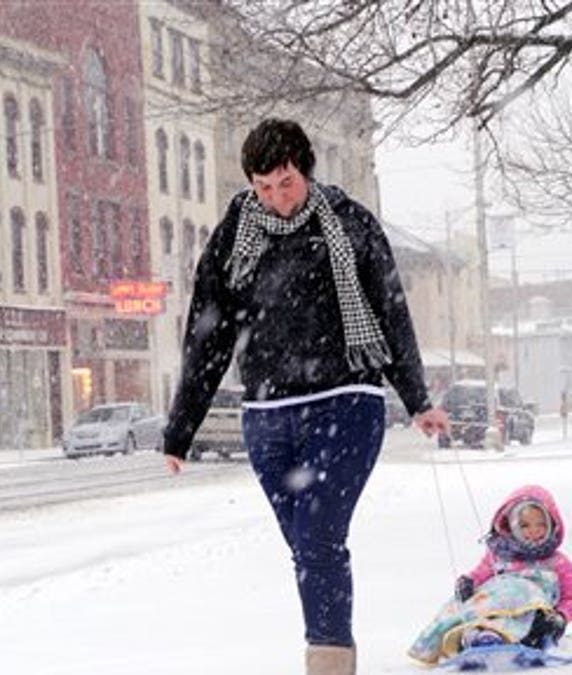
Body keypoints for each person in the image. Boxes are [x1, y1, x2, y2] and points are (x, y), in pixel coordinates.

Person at [161, 118, 449, 675]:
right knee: (306, 548)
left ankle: (328, 665)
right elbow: (208, 336)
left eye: (285, 182)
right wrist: (181, 428)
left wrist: (417, 399)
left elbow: (390, 313)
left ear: (305, 169)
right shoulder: (232, 235)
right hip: (267, 416)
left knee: (317, 539)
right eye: (262, 187)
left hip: (346, 402)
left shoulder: (350, 224)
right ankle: (333, 653)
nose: (275, 198)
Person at [406, 485, 572, 665]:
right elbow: (480, 575)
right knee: (472, 604)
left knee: (521, 592)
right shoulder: (498, 556)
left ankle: (510, 638)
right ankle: (474, 636)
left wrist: (561, 617)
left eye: (541, 524)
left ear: (552, 525)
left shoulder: (557, 563)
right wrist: (468, 582)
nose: (534, 530)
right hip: (495, 608)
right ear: (511, 525)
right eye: (525, 525)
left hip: (534, 617)